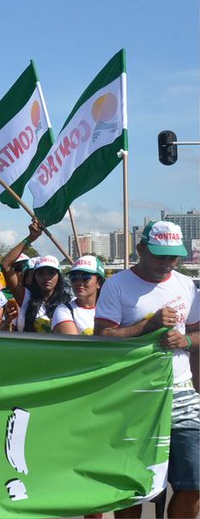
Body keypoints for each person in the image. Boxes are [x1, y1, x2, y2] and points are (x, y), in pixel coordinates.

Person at [94, 220, 198, 519]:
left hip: (181, 394)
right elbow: (102, 338)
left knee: (194, 482)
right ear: (141, 249)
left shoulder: (186, 285)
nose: (167, 263)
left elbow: (197, 334)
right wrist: (146, 326)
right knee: (130, 488)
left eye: (173, 256)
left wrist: (186, 340)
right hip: (133, 396)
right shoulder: (116, 285)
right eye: (160, 255)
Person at [52, 255, 104, 335]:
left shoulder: (110, 309)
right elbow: (73, 341)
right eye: (74, 278)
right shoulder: (64, 310)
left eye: (85, 277)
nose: (79, 282)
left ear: (98, 283)